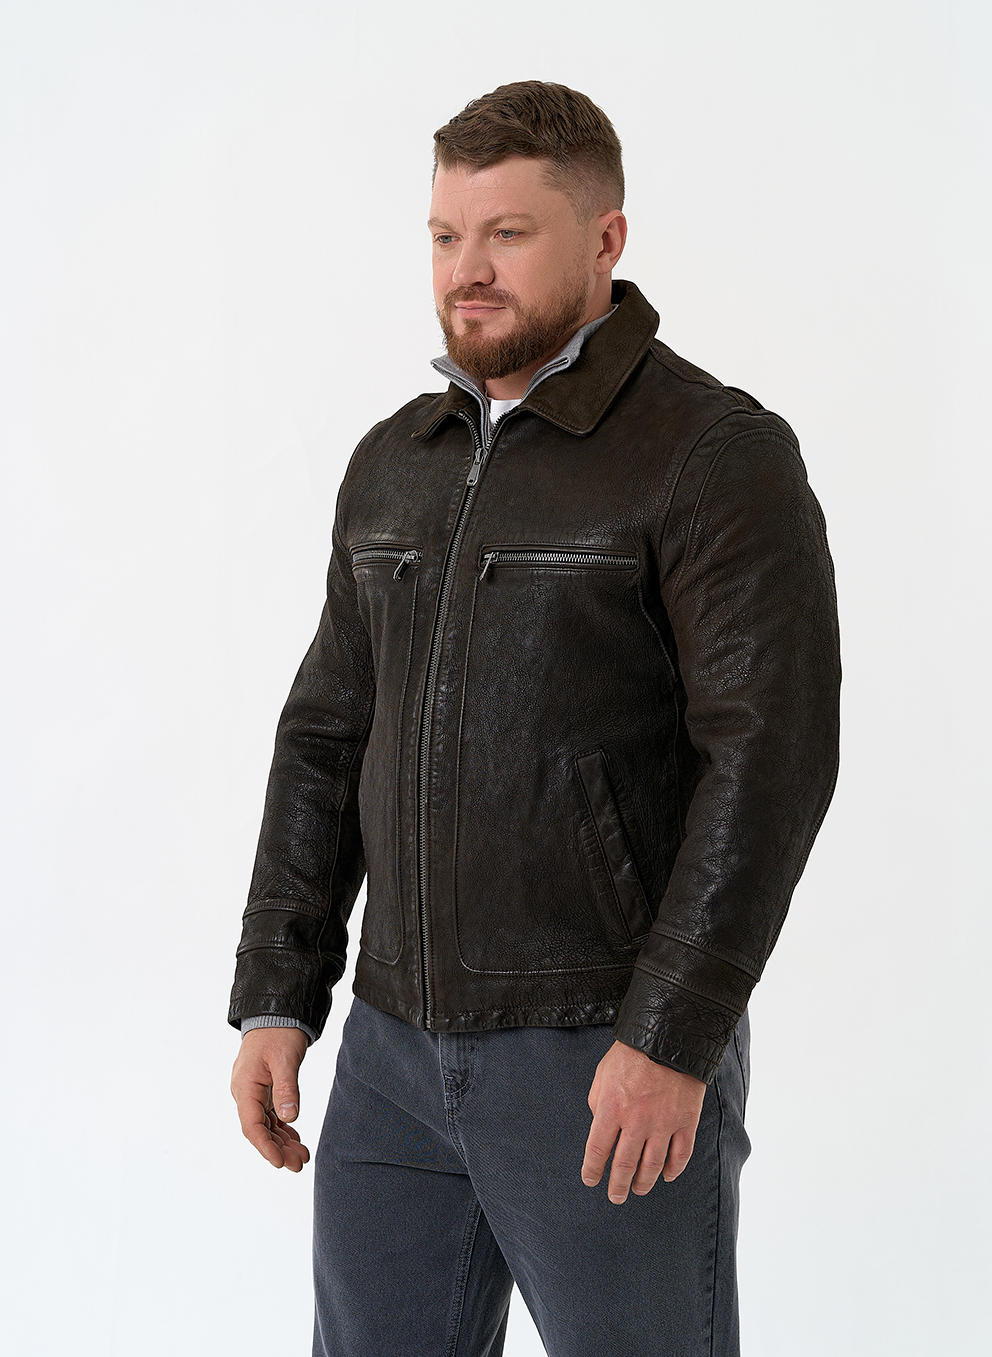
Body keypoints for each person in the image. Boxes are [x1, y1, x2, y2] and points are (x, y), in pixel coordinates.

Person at [228, 80, 841, 1357]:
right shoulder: (395, 459)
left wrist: (671, 1033)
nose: (468, 270)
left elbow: (768, 758)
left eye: (507, 234)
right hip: (390, 1057)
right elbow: (325, 736)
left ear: (605, 239)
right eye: (445, 235)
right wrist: (278, 991)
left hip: (597, 1052)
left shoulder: (711, 454)